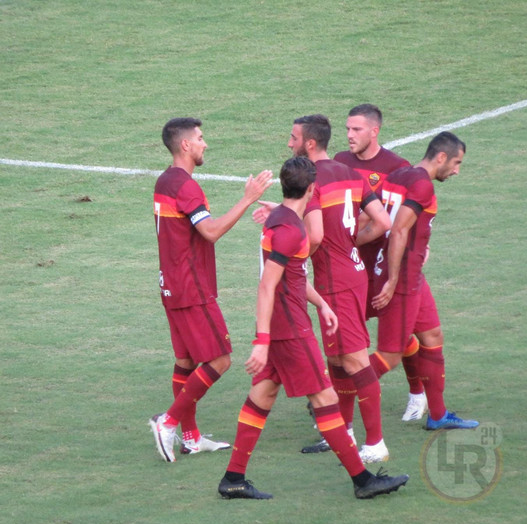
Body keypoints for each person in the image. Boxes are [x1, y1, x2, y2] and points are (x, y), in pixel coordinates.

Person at [217, 156, 409, 499]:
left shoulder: (281, 219)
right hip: (289, 328)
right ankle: (363, 481)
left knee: (263, 394)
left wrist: (321, 303)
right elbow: (267, 286)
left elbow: (292, 275)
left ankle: (233, 478)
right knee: (325, 397)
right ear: (310, 189)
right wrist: (263, 341)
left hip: (284, 322)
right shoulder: (290, 231)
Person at [149, 117, 273, 462]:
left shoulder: (165, 180)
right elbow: (211, 231)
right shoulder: (186, 187)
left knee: (186, 361)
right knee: (220, 359)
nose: (205, 144)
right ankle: (168, 422)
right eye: (201, 138)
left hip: (170, 285)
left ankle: (191, 438)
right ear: (185, 145)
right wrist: (248, 199)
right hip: (192, 288)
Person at [285, 114, 393, 463]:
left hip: (335, 282)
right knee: (337, 359)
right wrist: (349, 244)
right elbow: (383, 221)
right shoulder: (349, 172)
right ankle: (343, 432)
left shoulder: (311, 179)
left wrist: (294, 256)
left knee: (355, 360)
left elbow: (315, 235)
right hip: (352, 273)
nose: (289, 143)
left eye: (294, 138)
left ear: (309, 143)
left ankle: (375, 443)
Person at [369, 131, 479, 430]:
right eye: (456, 163)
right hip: (402, 277)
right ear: (441, 157)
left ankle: (438, 414)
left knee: (432, 336)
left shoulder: (399, 175)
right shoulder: (422, 185)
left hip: (413, 276)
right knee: (389, 355)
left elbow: (378, 219)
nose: (456, 170)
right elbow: (399, 230)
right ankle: (330, 396)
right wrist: (393, 279)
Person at [334, 104, 428, 423]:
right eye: (347, 129)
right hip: (351, 265)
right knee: (351, 335)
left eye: (356, 129)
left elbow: (409, 219)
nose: (349, 135)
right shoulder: (340, 162)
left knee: (399, 333)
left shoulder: (397, 168)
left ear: (374, 131)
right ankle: (343, 397)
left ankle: (417, 392)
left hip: (384, 264)